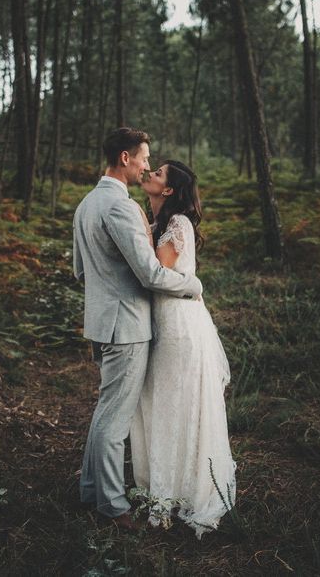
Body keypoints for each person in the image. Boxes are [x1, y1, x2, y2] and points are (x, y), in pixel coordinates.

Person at [72, 129, 203, 530]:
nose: (147, 166)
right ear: (126, 158)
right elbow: (149, 274)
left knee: (105, 410)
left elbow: (80, 271)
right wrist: (192, 285)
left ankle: (91, 488)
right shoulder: (122, 207)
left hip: (102, 322)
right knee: (116, 420)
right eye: (145, 159)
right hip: (126, 327)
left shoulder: (86, 204)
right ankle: (112, 506)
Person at [130, 160, 236, 538]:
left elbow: (159, 273)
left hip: (178, 325)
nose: (150, 174)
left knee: (174, 403)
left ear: (169, 190)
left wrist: (195, 283)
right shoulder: (157, 222)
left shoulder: (178, 224)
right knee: (157, 401)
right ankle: (159, 488)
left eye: (157, 173)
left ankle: (177, 494)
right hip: (160, 322)